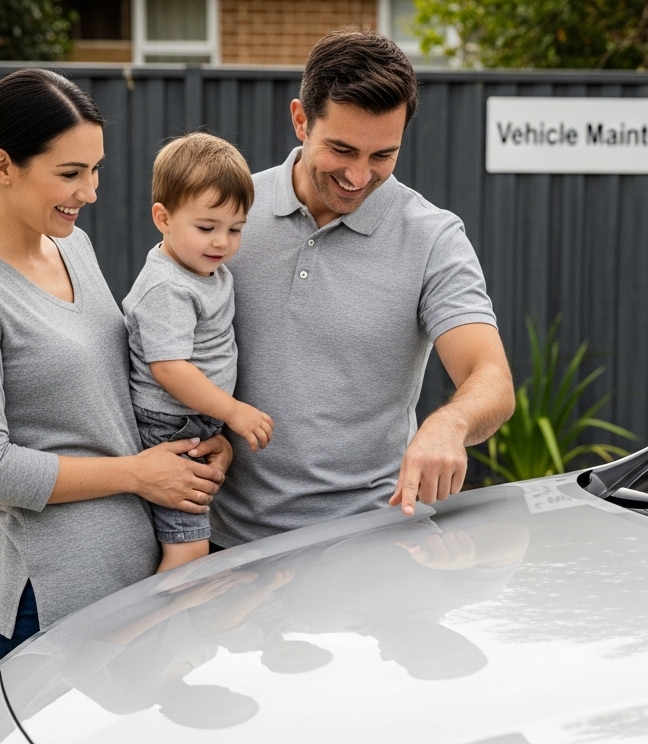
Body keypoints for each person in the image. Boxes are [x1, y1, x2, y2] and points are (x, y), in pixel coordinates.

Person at [0, 68, 232, 661]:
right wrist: (138, 474)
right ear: (3, 165)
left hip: (136, 572)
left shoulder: (71, 246)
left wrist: (200, 444)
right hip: (54, 592)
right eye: (70, 173)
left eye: (95, 169)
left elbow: (115, 396)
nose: (90, 191)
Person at [210, 29, 515, 548]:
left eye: (382, 155)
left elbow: (491, 378)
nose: (358, 175)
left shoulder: (433, 238)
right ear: (301, 120)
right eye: (342, 149)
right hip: (227, 546)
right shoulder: (228, 213)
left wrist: (451, 424)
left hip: (371, 544)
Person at [122, 133, 273, 573]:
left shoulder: (208, 272)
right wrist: (234, 411)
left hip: (193, 421)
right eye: (206, 228)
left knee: (190, 539)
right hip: (169, 425)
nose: (221, 242)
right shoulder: (168, 287)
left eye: (235, 229)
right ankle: (159, 617)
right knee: (187, 549)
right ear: (163, 218)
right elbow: (169, 368)